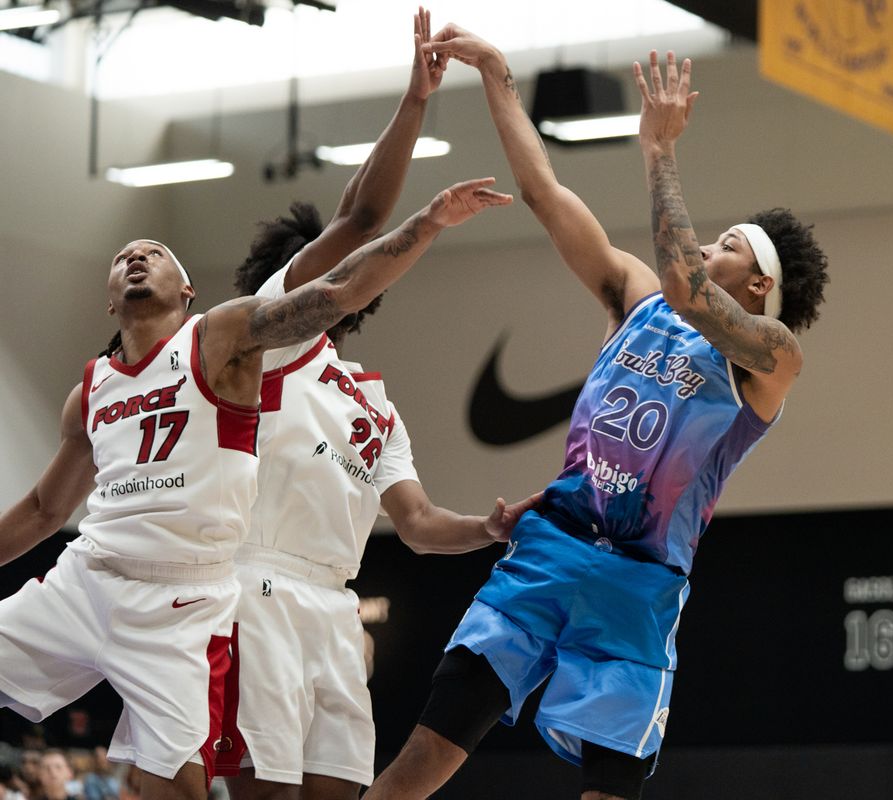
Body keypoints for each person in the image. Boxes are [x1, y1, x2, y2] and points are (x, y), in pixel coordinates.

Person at [364, 29, 829, 800]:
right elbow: (545, 194)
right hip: (549, 551)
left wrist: (658, 152)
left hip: (636, 588)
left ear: (758, 288)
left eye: (732, 245)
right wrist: (497, 73)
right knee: (422, 758)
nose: (712, 243)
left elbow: (688, 284)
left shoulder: (769, 358)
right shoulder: (634, 299)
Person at [0, 171, 512, 800]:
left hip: (190, 600)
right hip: (97, 575)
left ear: (188, 291)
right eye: (122, 255)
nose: (135, 255)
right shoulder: (93, 389)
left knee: (187, 791)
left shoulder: (225, 339)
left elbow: (344, 276)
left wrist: (428, 222)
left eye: (155, 252)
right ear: (107, 300)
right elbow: (46, 508)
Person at [213, 9, 540, 800]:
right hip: (257, 588)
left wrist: (488, 528)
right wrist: (417, 101)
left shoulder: (372, 404)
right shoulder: (269, 338)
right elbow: (360, 216)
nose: (347, 258)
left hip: (334, 608)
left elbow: (421, 525)